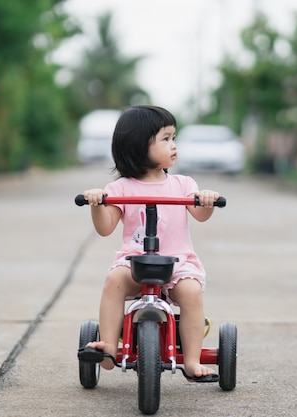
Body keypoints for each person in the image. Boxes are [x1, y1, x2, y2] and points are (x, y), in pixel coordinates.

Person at [81, 105, 220, 381]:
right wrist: (97, 203)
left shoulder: (182, 185)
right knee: (114, 280)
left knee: (191, 292)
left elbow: (201, 216)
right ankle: (109, 346)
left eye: (174, 138)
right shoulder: (121, 188)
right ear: (138, 146)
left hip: (176, 264)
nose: (174, 145)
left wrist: (206, 200)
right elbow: (105, 227)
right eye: (165, 139)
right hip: (136, 263)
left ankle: (191, 360)